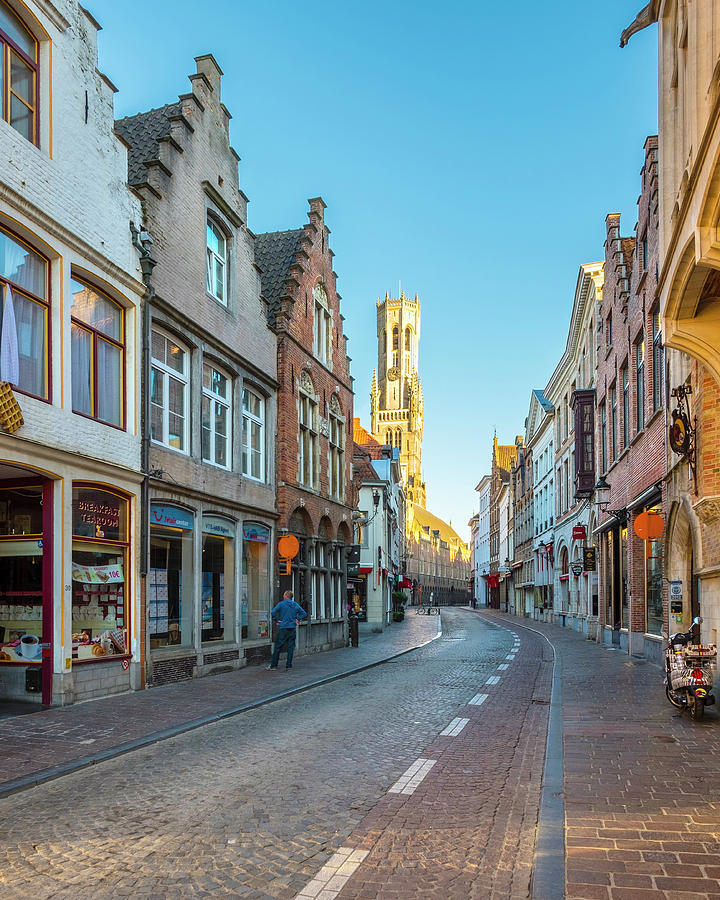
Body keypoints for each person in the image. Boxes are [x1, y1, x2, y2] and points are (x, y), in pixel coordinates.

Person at [267, 589, 307, 670]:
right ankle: (288, 666)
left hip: (283, 628)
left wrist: (277, 620)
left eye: (284, 595)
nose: (283, 596)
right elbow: (304, 613)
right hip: (292, 628)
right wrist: (297, 619)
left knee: (278, 646)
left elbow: (273, 612)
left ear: (286, 596)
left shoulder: (281, 604)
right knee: (290, 647)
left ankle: (273, 666)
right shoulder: (295, 604)